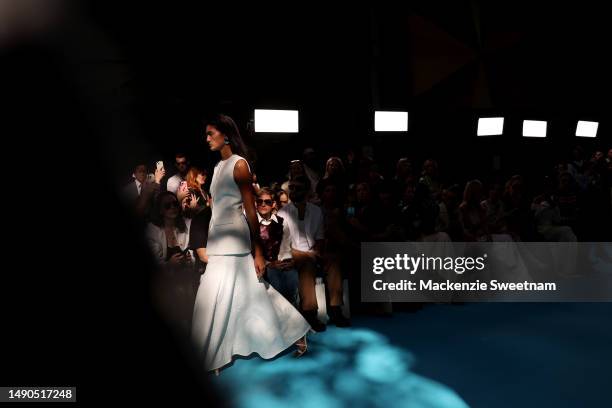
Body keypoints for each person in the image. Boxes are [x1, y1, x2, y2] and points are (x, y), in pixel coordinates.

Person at [191, 114, 310, 374]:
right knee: (252, 294)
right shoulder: (217, 167)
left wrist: (258, 251)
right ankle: (297, 331)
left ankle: (209, 356)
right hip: (217, 238)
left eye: (211, 133)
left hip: (235, 239)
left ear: (226, 135)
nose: (207, 138)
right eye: (207, 134)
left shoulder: (240, 165)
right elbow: (219, 207)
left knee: (212, 294)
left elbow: (250, 209)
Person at [279, 176, 350, 330]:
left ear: (307, 190)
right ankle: (310, 313)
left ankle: (335, 309)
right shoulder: (282, 213)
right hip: (293, 254)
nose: (294, 191)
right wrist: (308, 255)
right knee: (307, 265)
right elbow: (284, 245)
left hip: (314, 252)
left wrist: (315, 252)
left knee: (333, 261)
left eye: (298, 188)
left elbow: (319, 237)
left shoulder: (316, 211)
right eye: (292, 188)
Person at [146, 191, 197, 335]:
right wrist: (170, 264)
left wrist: (189, 259)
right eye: (167, 206)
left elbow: (192, 254)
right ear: (160, 210)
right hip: (166, 283)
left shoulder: (185, 225)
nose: (173, 208)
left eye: (175, 204)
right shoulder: (153, 230)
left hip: (186, 279)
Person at [255, 188, 298, 306]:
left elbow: (286, 246)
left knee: (292, 276)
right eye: (260, 201)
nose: (263, 204)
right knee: (274, 277)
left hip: (280, 262)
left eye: (267, 202)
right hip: (261, 265)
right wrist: (269, 263)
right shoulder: (251, 223)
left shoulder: (282, 222)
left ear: (273, 204)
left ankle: (292, 315)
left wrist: (286, 261)